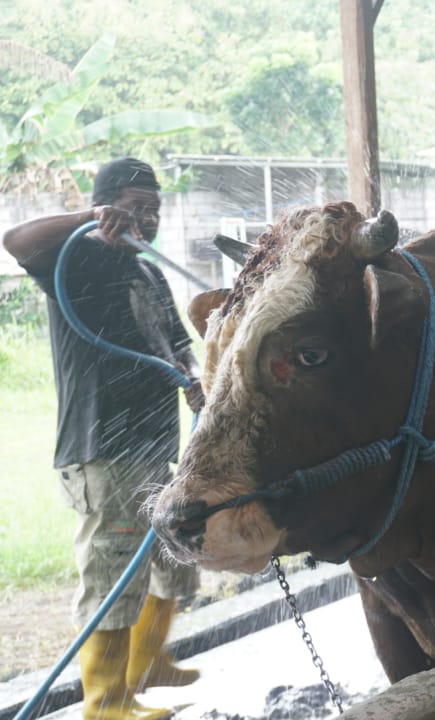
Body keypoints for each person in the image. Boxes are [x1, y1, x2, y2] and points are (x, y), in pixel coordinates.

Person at [3, 158, 204, 720]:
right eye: (137, 208)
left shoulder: (149, 272)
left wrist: (191, 376)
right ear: (107, 207)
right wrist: (86, 220)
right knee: (114, 569)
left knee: (172, 556)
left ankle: (148, 661)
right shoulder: (77, 259)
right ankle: (105, 701)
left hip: (154, 445)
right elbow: (14, 241)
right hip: (103, 449)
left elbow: (177, 344)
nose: (149, 220)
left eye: (155, 210)